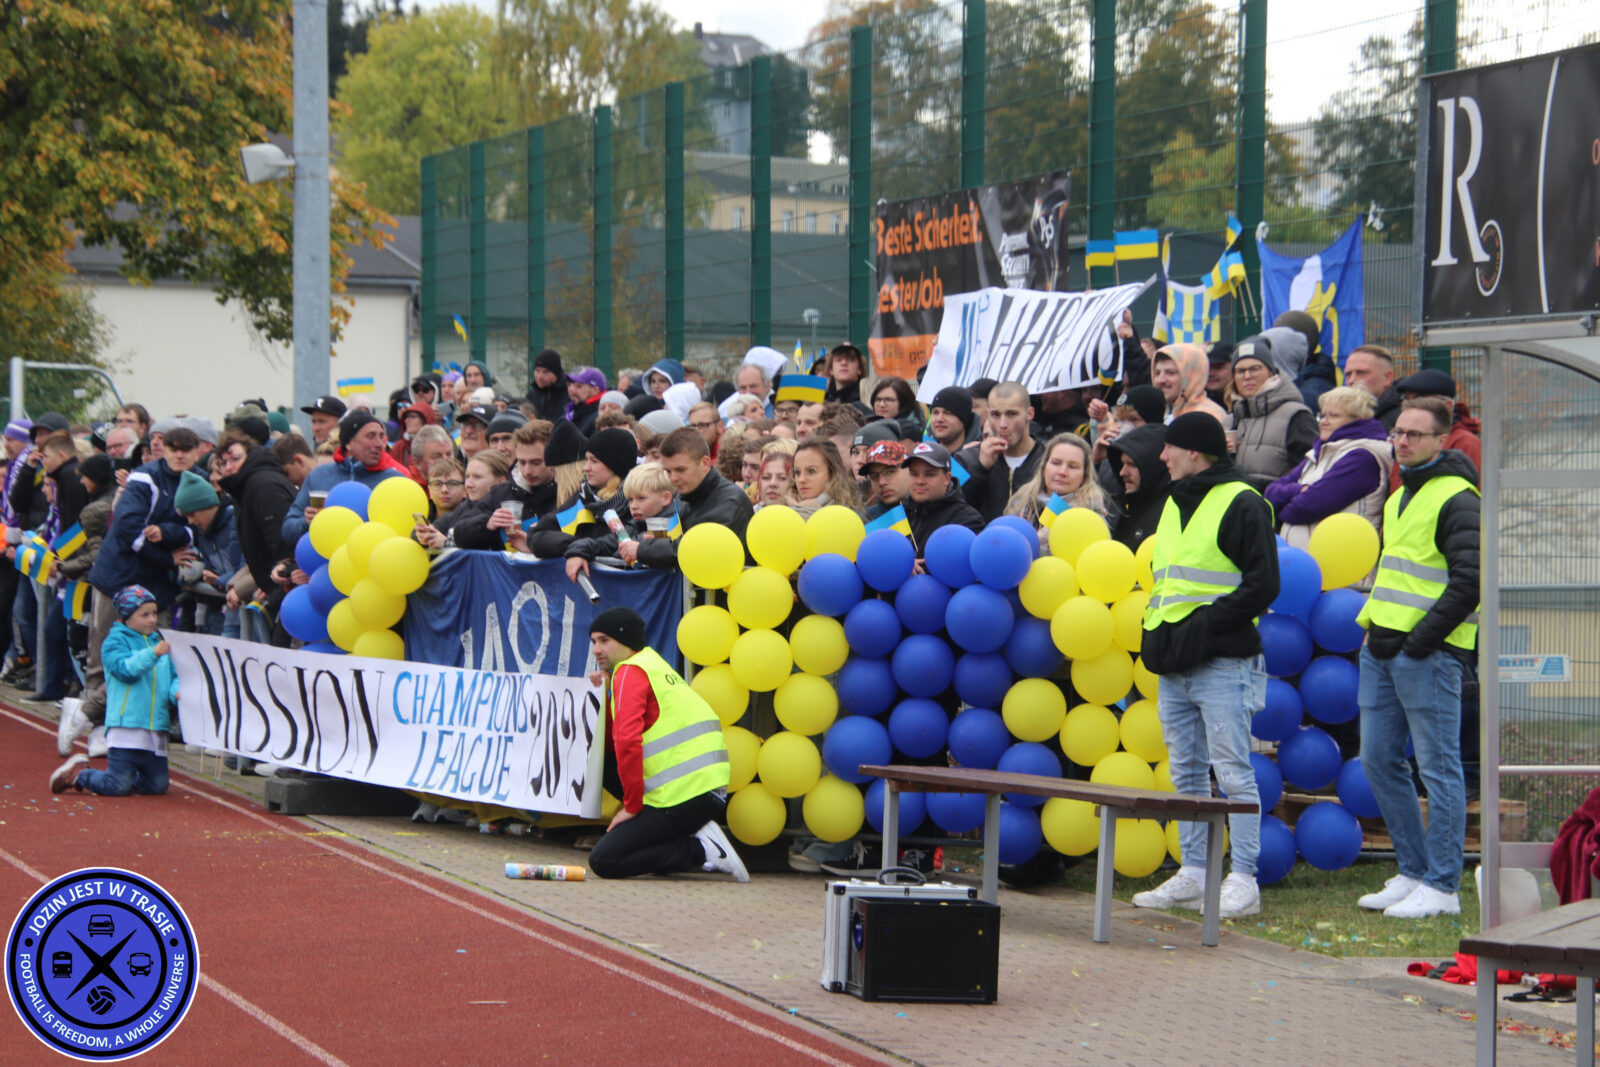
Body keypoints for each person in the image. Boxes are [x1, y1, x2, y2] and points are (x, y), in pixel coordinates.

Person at [1133, 412, 1279, 920]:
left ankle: (1244, 879)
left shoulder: (1243, 502)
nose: (1163, 456)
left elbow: (1263, 586)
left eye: (1169, 447)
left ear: (1194, 452)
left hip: (1222, 662)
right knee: (1187, 771)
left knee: (1233, 772)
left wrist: (1204, 627)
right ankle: (1194, 872)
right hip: (1175, 661)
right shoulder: (1175, 500)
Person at [1354, 395, 1479, 919]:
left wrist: (1421, 640)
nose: (1400, 441)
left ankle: (1443, 885)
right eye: (1397, 433)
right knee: (1378, 760)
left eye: (1413, 434)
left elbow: (1469, 582)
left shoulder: (1458, 496)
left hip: (1427, 655)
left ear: (1440, 440)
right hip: (1383, 647)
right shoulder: (1405, 491)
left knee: (1439, 767)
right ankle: (1412, 871)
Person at [584, 607, 746, 880]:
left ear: (626, 641)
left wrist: (632, 807)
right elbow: (610, 749)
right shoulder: (651, 663)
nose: (596, 650)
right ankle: (689, 831)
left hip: (687, 795)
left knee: (604, 860)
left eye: (604, 641)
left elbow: (626, 742)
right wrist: (609, 689)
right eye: (593, 642)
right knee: (601, 762)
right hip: (704, 791)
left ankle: (702, 849)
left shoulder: (630, 672)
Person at [51, 586, 176, 798]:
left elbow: (173, 676)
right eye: (144, 615)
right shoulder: (114, 642)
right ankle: (82, 775)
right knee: (117, 787)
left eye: (154, 613)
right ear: (126, 618)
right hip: (125, 726)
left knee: (157, 786)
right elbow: (126, 670)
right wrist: (152, 654)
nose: (152, 620)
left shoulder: (160, 642)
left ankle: (127, 778)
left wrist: (177, 693)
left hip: (155, 727)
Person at [1264, 386, 1392, 551]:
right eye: (1322, 415)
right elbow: (1270, 492)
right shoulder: (1321, 451)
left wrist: (1282, 506)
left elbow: (1305, 507)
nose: (1324, 421)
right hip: (1308, 563)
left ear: (1358, 419)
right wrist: (1300, 490)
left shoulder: (1362, 458)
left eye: (1334, 416)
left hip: (1344, 565)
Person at [281, 412, 408, 547]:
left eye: (381, 437)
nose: (379, 444)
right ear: (348, 443)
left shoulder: (395, 481)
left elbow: (411, 533)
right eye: (371, 436)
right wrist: (305, 522)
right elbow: (287, 529)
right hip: (325, 563)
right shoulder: (319, 476)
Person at [634, 429, 753, 568]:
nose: (673, 478)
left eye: (680, 470)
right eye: (668, 471)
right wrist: (657, 541)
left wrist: (644, 549)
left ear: (705, 463)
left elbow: (699, 549)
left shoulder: (730, 500)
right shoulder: (683, 494)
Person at [522, 428, 636, 558]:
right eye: (586, 460)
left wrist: (585, 547)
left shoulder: (637, 499)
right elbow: (537, 535)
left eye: (594, 461)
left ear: (615, 464)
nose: (586, 468)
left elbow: (630, 543)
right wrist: (578, 546)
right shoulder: (584, 497)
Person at [565, 462, 681, 581]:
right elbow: (605, 544)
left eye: (641, 498)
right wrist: (578, 552)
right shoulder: (634, 525)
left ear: (665, 498)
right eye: (630, 500)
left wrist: (638, 550)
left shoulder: (674, 525)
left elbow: (622, 552)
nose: (633, 506)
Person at [1229, 336, 1315, 490]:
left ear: (1271, 372)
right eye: (1240, 371)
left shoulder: (1296, 415)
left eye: (1255, 369)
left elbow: (1309, 474)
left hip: (1276, 509)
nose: (1247, 376)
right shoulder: (1230, 420)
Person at [1005, 433, 1108, 545]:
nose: (1062, 472)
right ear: (1044, 468)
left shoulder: (1092, 512)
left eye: (1072, 466)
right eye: (1056, 463)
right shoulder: (1021, 501)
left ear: (1084, 476)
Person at [963, 381, 1043, 521]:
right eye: (995, 415)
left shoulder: (1050, 459)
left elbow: (1070, 504)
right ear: (987, 415)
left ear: (1029, 414)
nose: (1003, 424)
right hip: (985, 541)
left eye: (1012, 414)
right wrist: (980, 469)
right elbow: (951, 507)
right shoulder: (965, 458)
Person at [1389, 368, 1482, 485]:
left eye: (1419, 399)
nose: (1411, 405)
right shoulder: (1402, 439)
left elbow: (1471, 492)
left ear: (1447, 406)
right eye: (1406, 399)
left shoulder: (1465, 442)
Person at [416, 449, 510, 549]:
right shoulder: (466, 507)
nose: (468, 484)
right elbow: (438, 526)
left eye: (477, 477)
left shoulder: (510, 512)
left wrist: (446, 543)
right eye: (467, 477)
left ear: (501, 481)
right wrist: (425, 534)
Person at [1103, 424, 1169, 549]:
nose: (1123, 472)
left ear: (1154, 465)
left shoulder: (1168, 512)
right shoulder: (1128, 505)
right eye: (1122, 464)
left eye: (1132, 464)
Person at [788, 440, 859, 519]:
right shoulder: (782, 510)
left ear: (832, 473)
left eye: (812, 471)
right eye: (797, 472)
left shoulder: (849, 515)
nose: (801, 480)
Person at [1343, 344, 1402, 429]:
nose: (1352, 380)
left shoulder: (1403, 418)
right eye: (1348, 374)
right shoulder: (1338, 416)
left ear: (1387, 378)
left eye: (1361, 373)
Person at [860, 441, 912, 521]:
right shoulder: (866, 521)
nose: (881, 482)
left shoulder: (930, 512)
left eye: (890, 472)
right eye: (875, 476)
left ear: (909, 470)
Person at [527, 348, 569, 423]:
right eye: (537, 371)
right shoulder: (531, 396)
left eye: (546, 372)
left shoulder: (570, 394)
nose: (540, 376)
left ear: (556, 373)